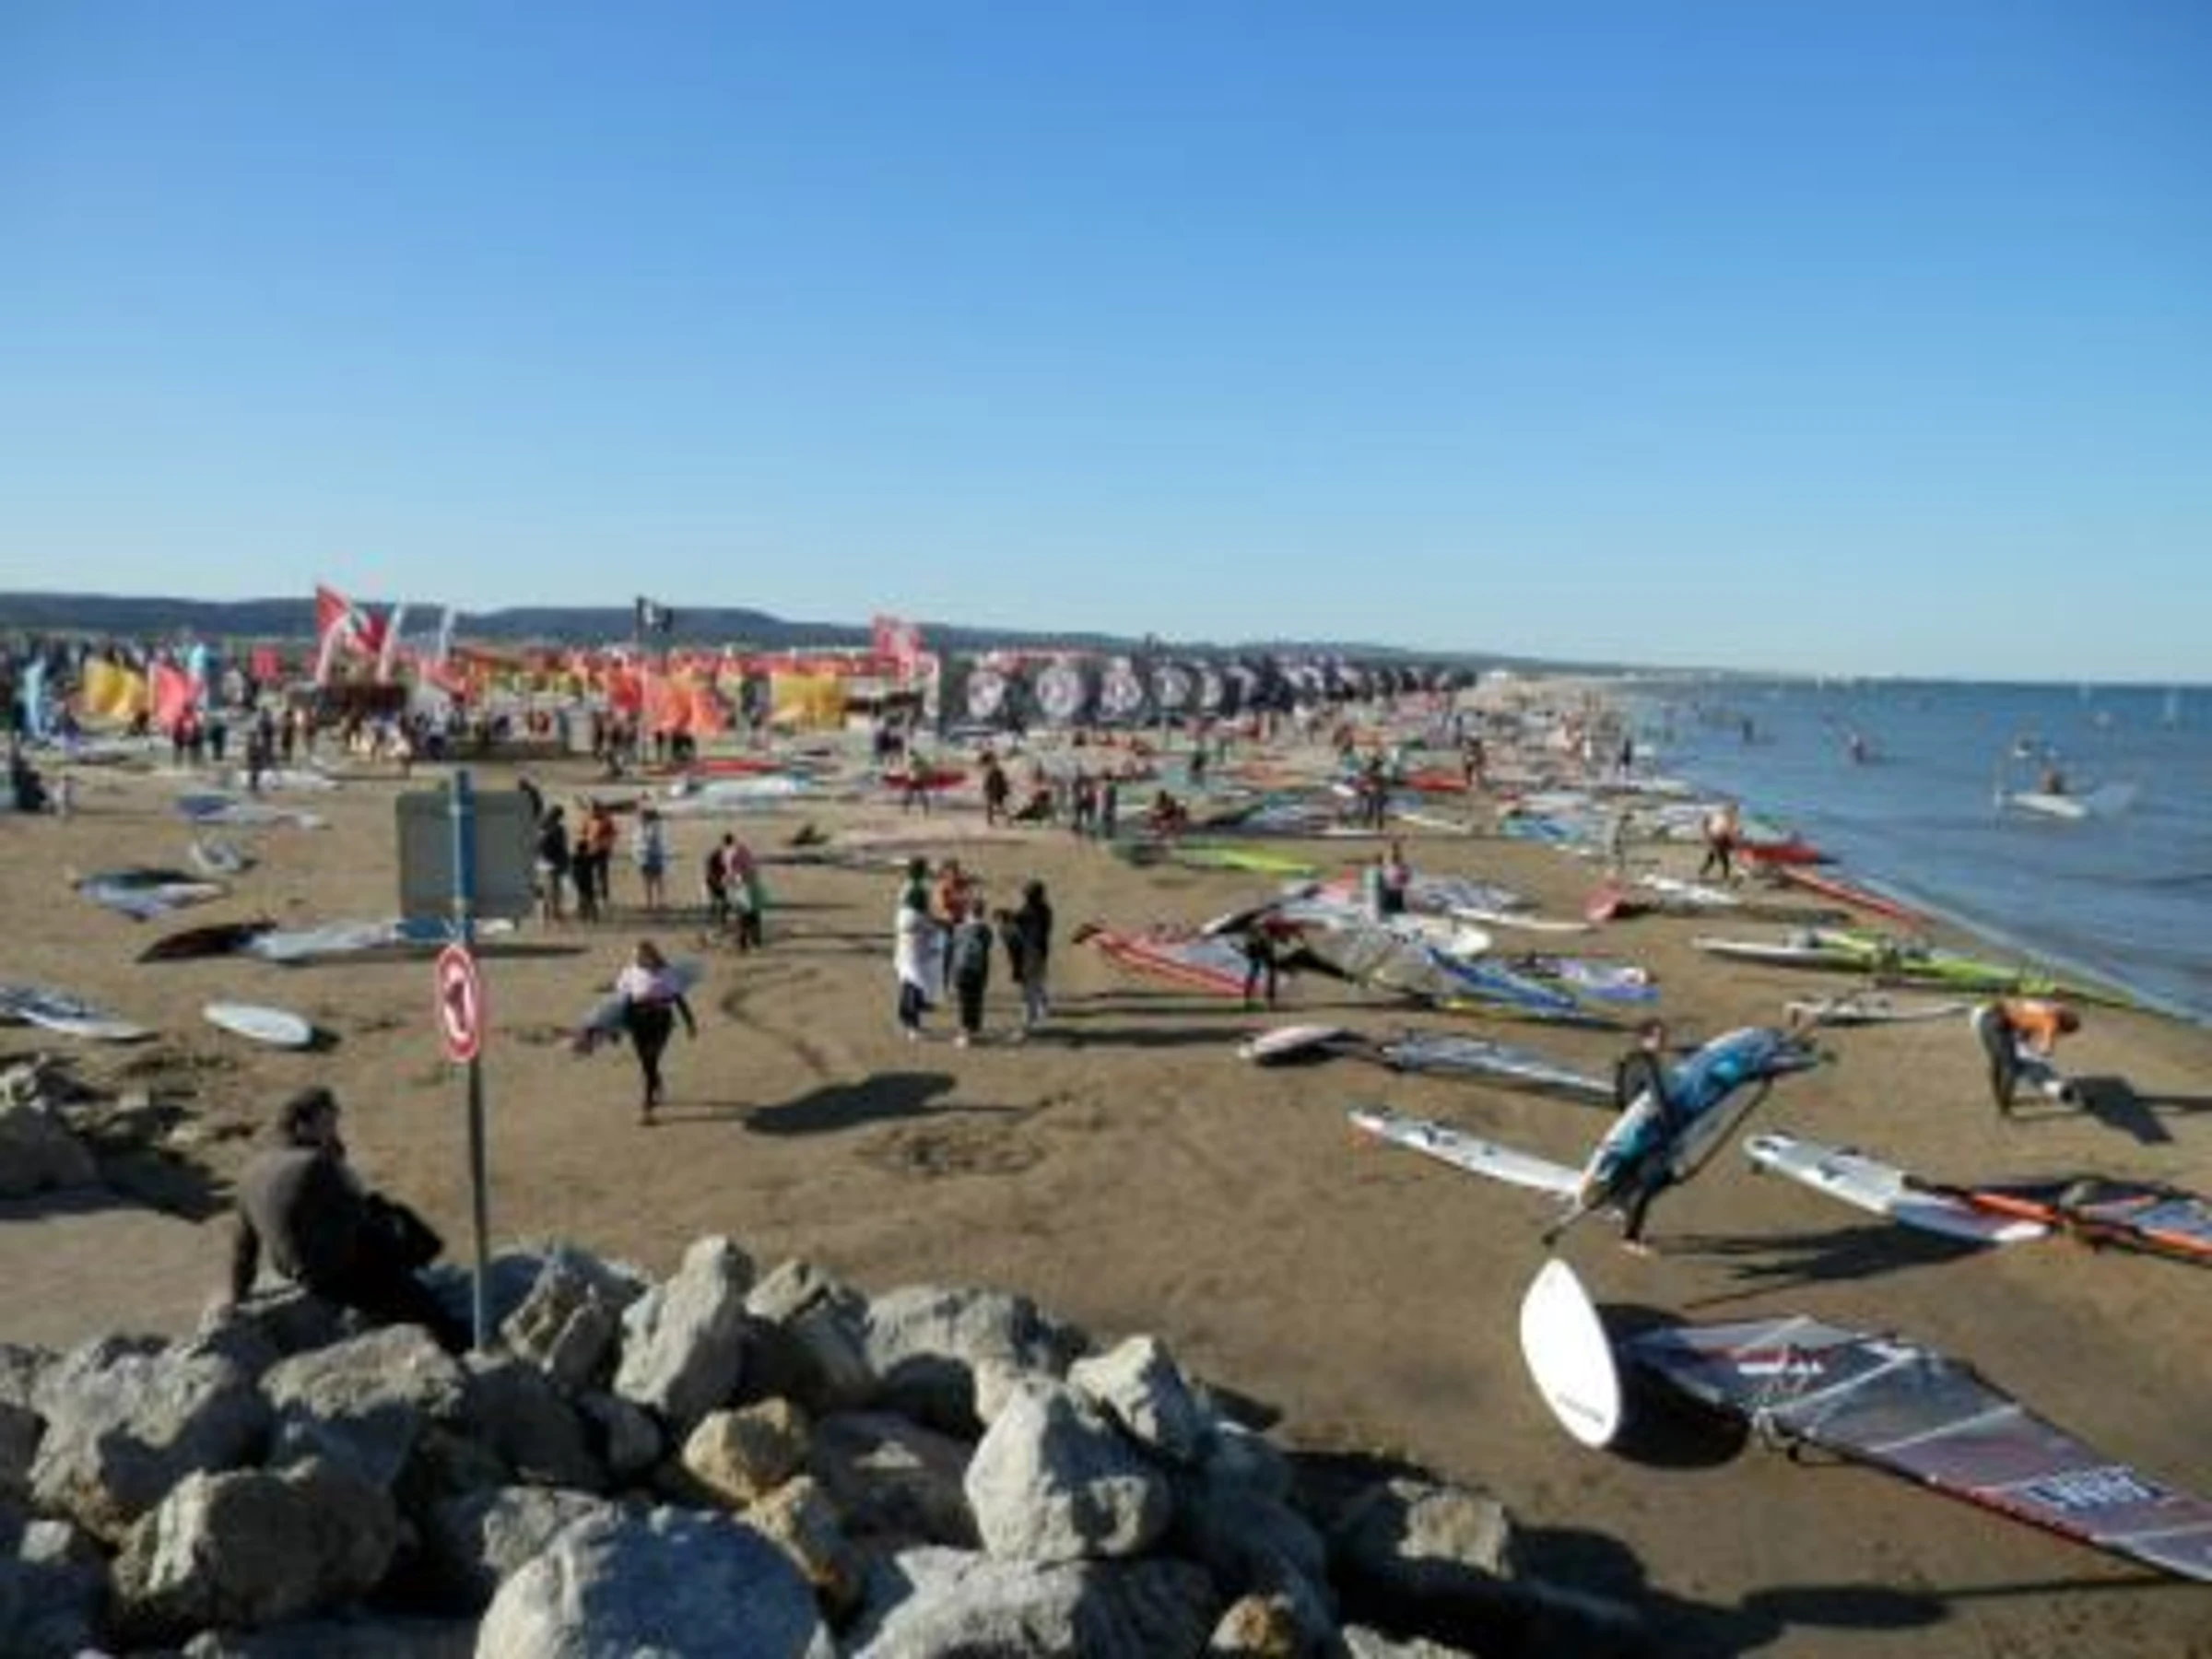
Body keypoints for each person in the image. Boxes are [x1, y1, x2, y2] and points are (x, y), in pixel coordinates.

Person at [223, 1087, 465, 1350]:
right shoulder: (315, 1164)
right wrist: (392, 1248)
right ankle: (450, 1332)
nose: (333, 1131)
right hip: (330, 1271)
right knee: (388, 1225)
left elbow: (243, 1246)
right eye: (327, 1124)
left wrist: (237, 1295)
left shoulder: (252, 1169)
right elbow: (357, 1213)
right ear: (302, 1126)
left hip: (290, 1265)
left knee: (378, 1215)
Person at [1611, 1019, 1680, 1255]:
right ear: (1646, 1038)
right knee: (1651, 1180)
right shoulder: (1648, 1063)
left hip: (1629, 1129)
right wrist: (1672, 1128)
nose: (1665, 1040)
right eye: (1660, 1037)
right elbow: (1660, 1098)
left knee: (1661, 1176)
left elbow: (1620, 1097)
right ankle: (1630, 1238)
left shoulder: (1630, 1059)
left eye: (1665, 1036)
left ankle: (1624, 1207)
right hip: (1645, 1132)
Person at [615, 940, 697, 1122]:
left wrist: (690, 1023)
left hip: (660, 1020)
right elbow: (622, 1001)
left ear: (652, 956)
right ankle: (656, 1081)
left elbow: (679, 999)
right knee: (646, 1061)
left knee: (651, 1058)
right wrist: (617, 1026)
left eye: (641, 956)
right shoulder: (629, 973)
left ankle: (647, 1108)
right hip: (637, 1020)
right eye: (635, 956)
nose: (636, 959)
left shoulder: (666, 973)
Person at [1973, 997, 2081, 1113]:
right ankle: (2004, 1109)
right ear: (2063, 1025)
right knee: (2010, 1069)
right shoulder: (2051, 1023)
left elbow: (2024, 1026)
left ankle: (2000, 1099)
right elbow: (2046, 1050)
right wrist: (2039, 1057)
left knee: (1998, 1062)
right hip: (1998, 1024)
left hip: (1987, 1017)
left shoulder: (2047, 1008)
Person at [1000, 878, 1054, 1037]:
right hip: (1040, 953)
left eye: (1026, 894)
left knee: (1028, 991)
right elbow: (1018, 917)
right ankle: (1042, 1007)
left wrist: (1006, 918)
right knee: (1037, 983)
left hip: (1031, 954)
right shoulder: (1044, 909)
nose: (1024, 897)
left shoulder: (1031, 911)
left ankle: (1027, 1024)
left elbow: (1018, 919)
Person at [893, 871, 943, 1041]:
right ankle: (913, 1027)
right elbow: (931, 928)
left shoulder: (903, 913)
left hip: (903, 957)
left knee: (906, 989)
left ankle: (904, 1019)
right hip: (915, 959)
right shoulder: (918, 918)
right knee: (914, 991)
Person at [948, 899, 995, 1047]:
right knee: (976, 1000)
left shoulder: (960, 928)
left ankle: (966, 1033)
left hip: (961, 969)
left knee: (964, 1002)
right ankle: (972, 1030)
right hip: (978, 969)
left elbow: (953, 947)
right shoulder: (985, 930)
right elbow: (987, 946)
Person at [632, 806, 670, 913]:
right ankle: (650, 902)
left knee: (655, 880)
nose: (639, 818)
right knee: (648, 881)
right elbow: (637, 841)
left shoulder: (654, 827)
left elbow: (649, 840)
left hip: (652, 856)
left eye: (641, 816)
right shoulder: (641, 827)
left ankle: (659, 902)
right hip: (644, 856)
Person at [1697, 801, 1738, 884]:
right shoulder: (1726, 817)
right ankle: (1706, 872)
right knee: (1720, 858)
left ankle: (1704, 871)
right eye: (1734, 809)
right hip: (1719, 839)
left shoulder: (1727, 816)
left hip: (1720, 838)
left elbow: (1730, 829)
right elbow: (1712, 825)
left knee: (1717, 857)